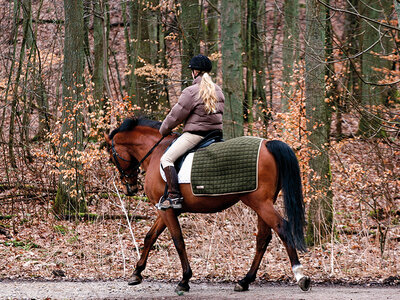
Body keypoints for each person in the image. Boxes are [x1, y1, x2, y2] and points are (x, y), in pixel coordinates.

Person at [158, 54, 225, 209]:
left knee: (166, 159)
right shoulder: (218, 90)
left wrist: (164, 130)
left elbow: (176, 116)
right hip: (215, 135)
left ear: (195, 72)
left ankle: (174, 197)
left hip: (196, 136)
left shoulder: (191, 91)